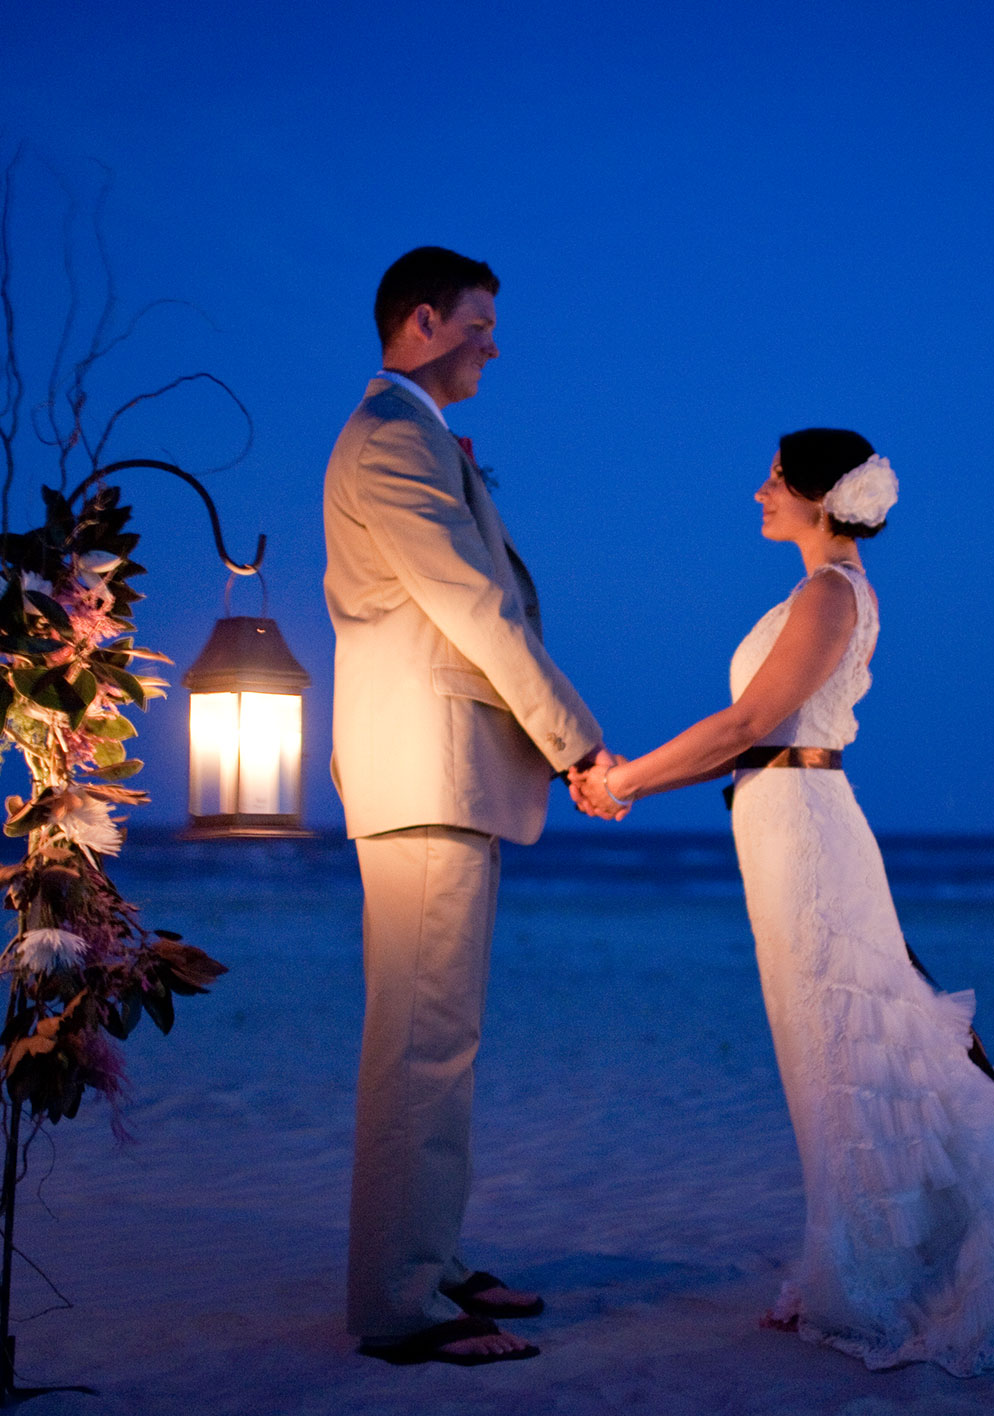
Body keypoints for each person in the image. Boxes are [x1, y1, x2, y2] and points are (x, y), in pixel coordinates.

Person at [574, 430, 994, 1374]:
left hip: (806, 828)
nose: (758, 492)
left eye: (772, 479)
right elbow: (751, 732)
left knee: (845, 1048)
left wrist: (626, 780)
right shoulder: (819, 590)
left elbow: (749, 724)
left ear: (814, 495)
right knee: (823, 1049)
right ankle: (854, 1257)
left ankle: (883, 1278)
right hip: (782, 821)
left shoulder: (830, 592)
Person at [322, 246, 609, 1366]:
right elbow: (478, 609)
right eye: (482, 322)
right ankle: (402, 1307)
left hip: (441, 774)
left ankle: (429, 1263)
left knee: (440, 1045)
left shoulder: (418, 438)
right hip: (427, 772)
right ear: (426, 322)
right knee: (420, 1052)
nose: (496, 342)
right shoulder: (392, 438)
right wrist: (576, 743)